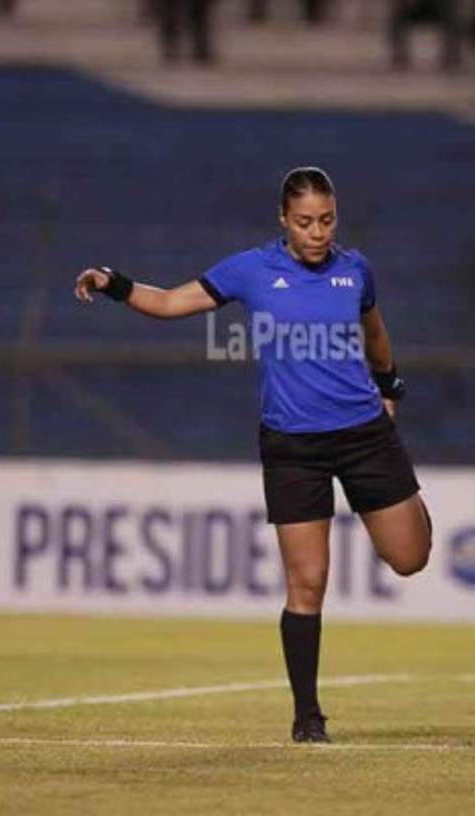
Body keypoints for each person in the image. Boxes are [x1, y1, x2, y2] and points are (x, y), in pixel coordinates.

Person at [72, 167, 432, 743]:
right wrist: (115, 283)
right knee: (307, 582)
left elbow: (375, 333)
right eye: (305, 222)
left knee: (411, 557)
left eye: (327, 220)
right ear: (283, 221)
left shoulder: (355, 269)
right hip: (293, 447)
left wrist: (389, 386)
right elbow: (168, 303)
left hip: (366, 435)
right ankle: (307, 717)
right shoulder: (251, 270)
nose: (318, 233)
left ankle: (410, 500)